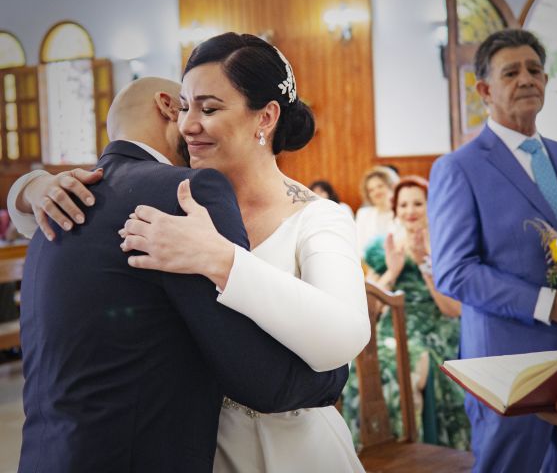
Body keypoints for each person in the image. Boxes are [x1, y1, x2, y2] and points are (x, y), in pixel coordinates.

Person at [10, 34, 370, 473]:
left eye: (209, 108)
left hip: (283, 452)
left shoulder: (319, 218)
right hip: (192, 449)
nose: (187, 125)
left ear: (266, 117)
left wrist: (221, 260)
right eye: (184, 107)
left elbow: (346, 334)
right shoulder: (172, 196)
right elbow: (72, 220)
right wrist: (32, 187)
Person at [428, 29, 557, 473]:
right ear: (485, 89)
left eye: (535, 70)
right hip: (508, 367)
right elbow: (455, 272)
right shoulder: (458, 169)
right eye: (511, 72)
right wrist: (553, 305)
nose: (526, 79)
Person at [342, 176, 468, 450]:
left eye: (417, 204)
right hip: (393, 325)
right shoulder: (383, 247)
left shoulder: (447, 246)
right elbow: (370, 309)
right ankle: (372, 452)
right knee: (362, 369)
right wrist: (393, 271)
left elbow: (452, 310)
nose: (410, 211)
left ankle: (411, 449)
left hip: (434, 327)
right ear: (396, 210)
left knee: (406, 370)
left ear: (430, 206)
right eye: (404, 205)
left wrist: (425, 262)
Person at [354, 166, 398, 256]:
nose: (376, 192)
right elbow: (358, 247)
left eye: (380, 186)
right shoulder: (363, 214)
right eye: (371, 190)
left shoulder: (403, 213)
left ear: (391, 186)